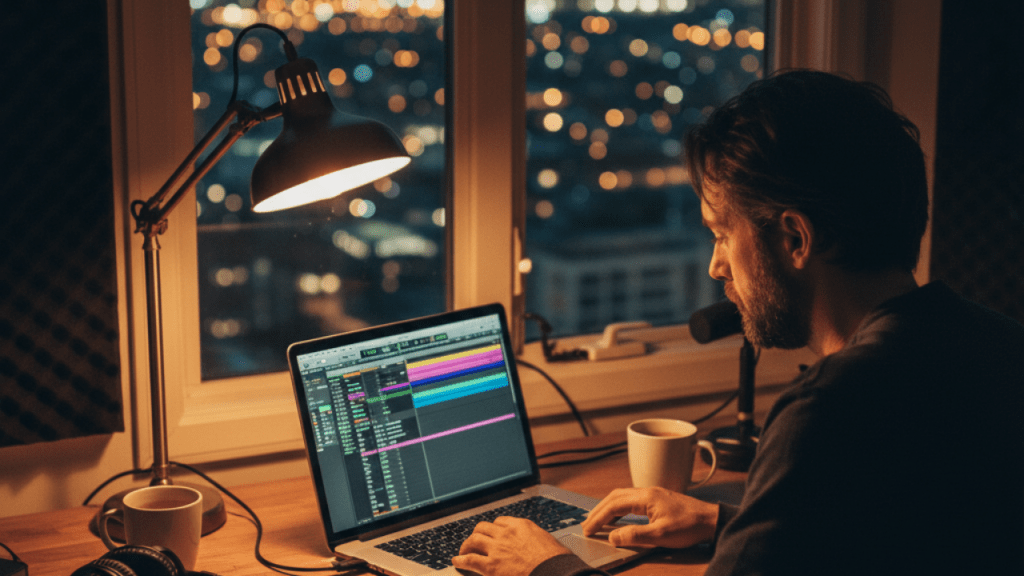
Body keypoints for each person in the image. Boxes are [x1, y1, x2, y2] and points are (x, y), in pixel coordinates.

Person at [450, 69, 1024, 576]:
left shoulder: (827, 412)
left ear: (795, 239)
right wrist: (726, 521)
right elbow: (902, 537)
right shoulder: (999, 345)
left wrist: (546, 566)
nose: (715, 265)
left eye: (723, 234)